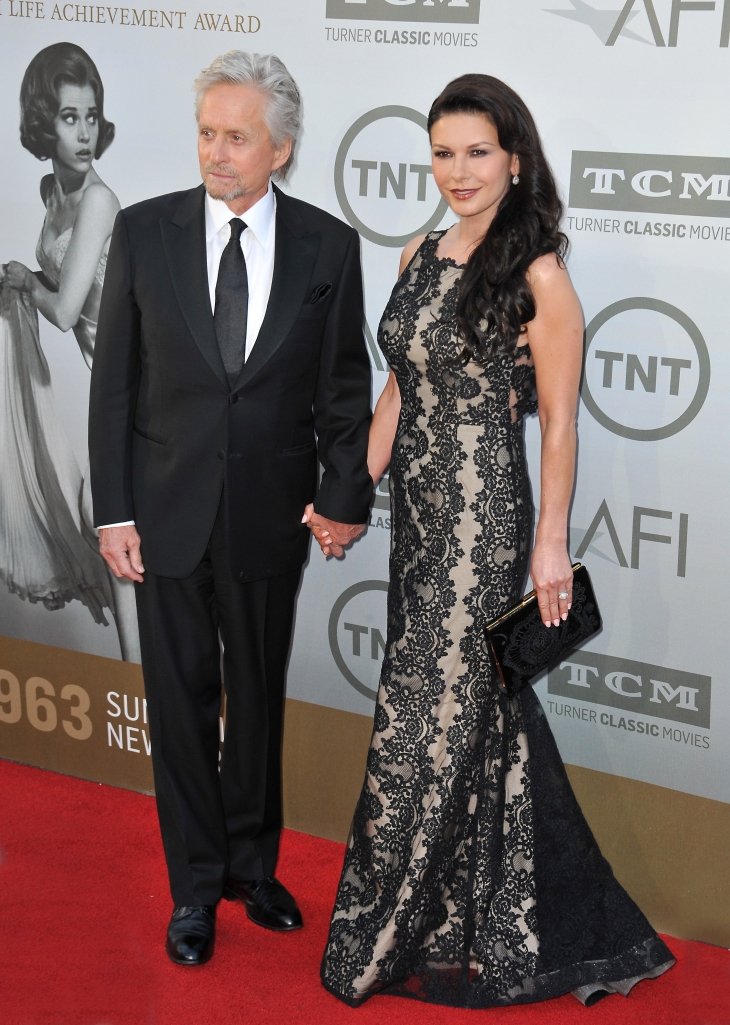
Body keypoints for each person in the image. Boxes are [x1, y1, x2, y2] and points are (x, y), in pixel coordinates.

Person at [320, 74, 674, 1008]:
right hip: (420, 520)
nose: (459, 171)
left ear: (515, 158)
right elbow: (398, 389)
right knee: (463, 711)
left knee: (424, 718)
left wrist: (549, 547)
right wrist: (346, 492)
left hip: (484, 519)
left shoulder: (539, 272)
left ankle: (398, 922)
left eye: (478, 152)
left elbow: (559, 424)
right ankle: (465, 914)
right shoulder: (416, 253)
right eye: (443, 153)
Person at [88, 50, 372, 967]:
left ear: (280, 149)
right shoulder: (142, 230)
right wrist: (113, 512)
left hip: (268, 515)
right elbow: (114, 390)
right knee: (179, 706)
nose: (216, 151)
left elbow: (341, 390)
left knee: (255, 702)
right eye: (207, 132)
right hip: (163, 515)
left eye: (237, 137)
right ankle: (196, 889)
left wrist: (340, 499)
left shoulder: (329, 245)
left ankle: (254, 867)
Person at [2, 42, 139, 660]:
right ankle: (139, 682)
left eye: (91, 115)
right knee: (111, 533)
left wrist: (24, 280)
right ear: (43, 122)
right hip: (108, 381)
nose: (84, 133)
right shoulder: (51, 193)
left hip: (143, 383)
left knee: (110, 525)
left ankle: (145, 684)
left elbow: (61, 312)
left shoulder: (98, 201)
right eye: (68, 117)